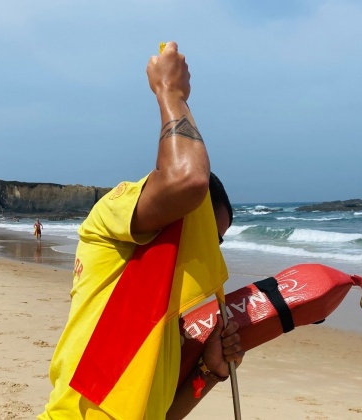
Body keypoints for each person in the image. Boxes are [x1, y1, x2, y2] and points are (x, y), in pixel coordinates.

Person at [39, 41, 243, 420]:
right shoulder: (114, 215)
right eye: (206, 235)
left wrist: (209, 371)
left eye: (216, 243)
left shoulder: (162, 315)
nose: (209, 251)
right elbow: (186, 180)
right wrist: (171, 91)